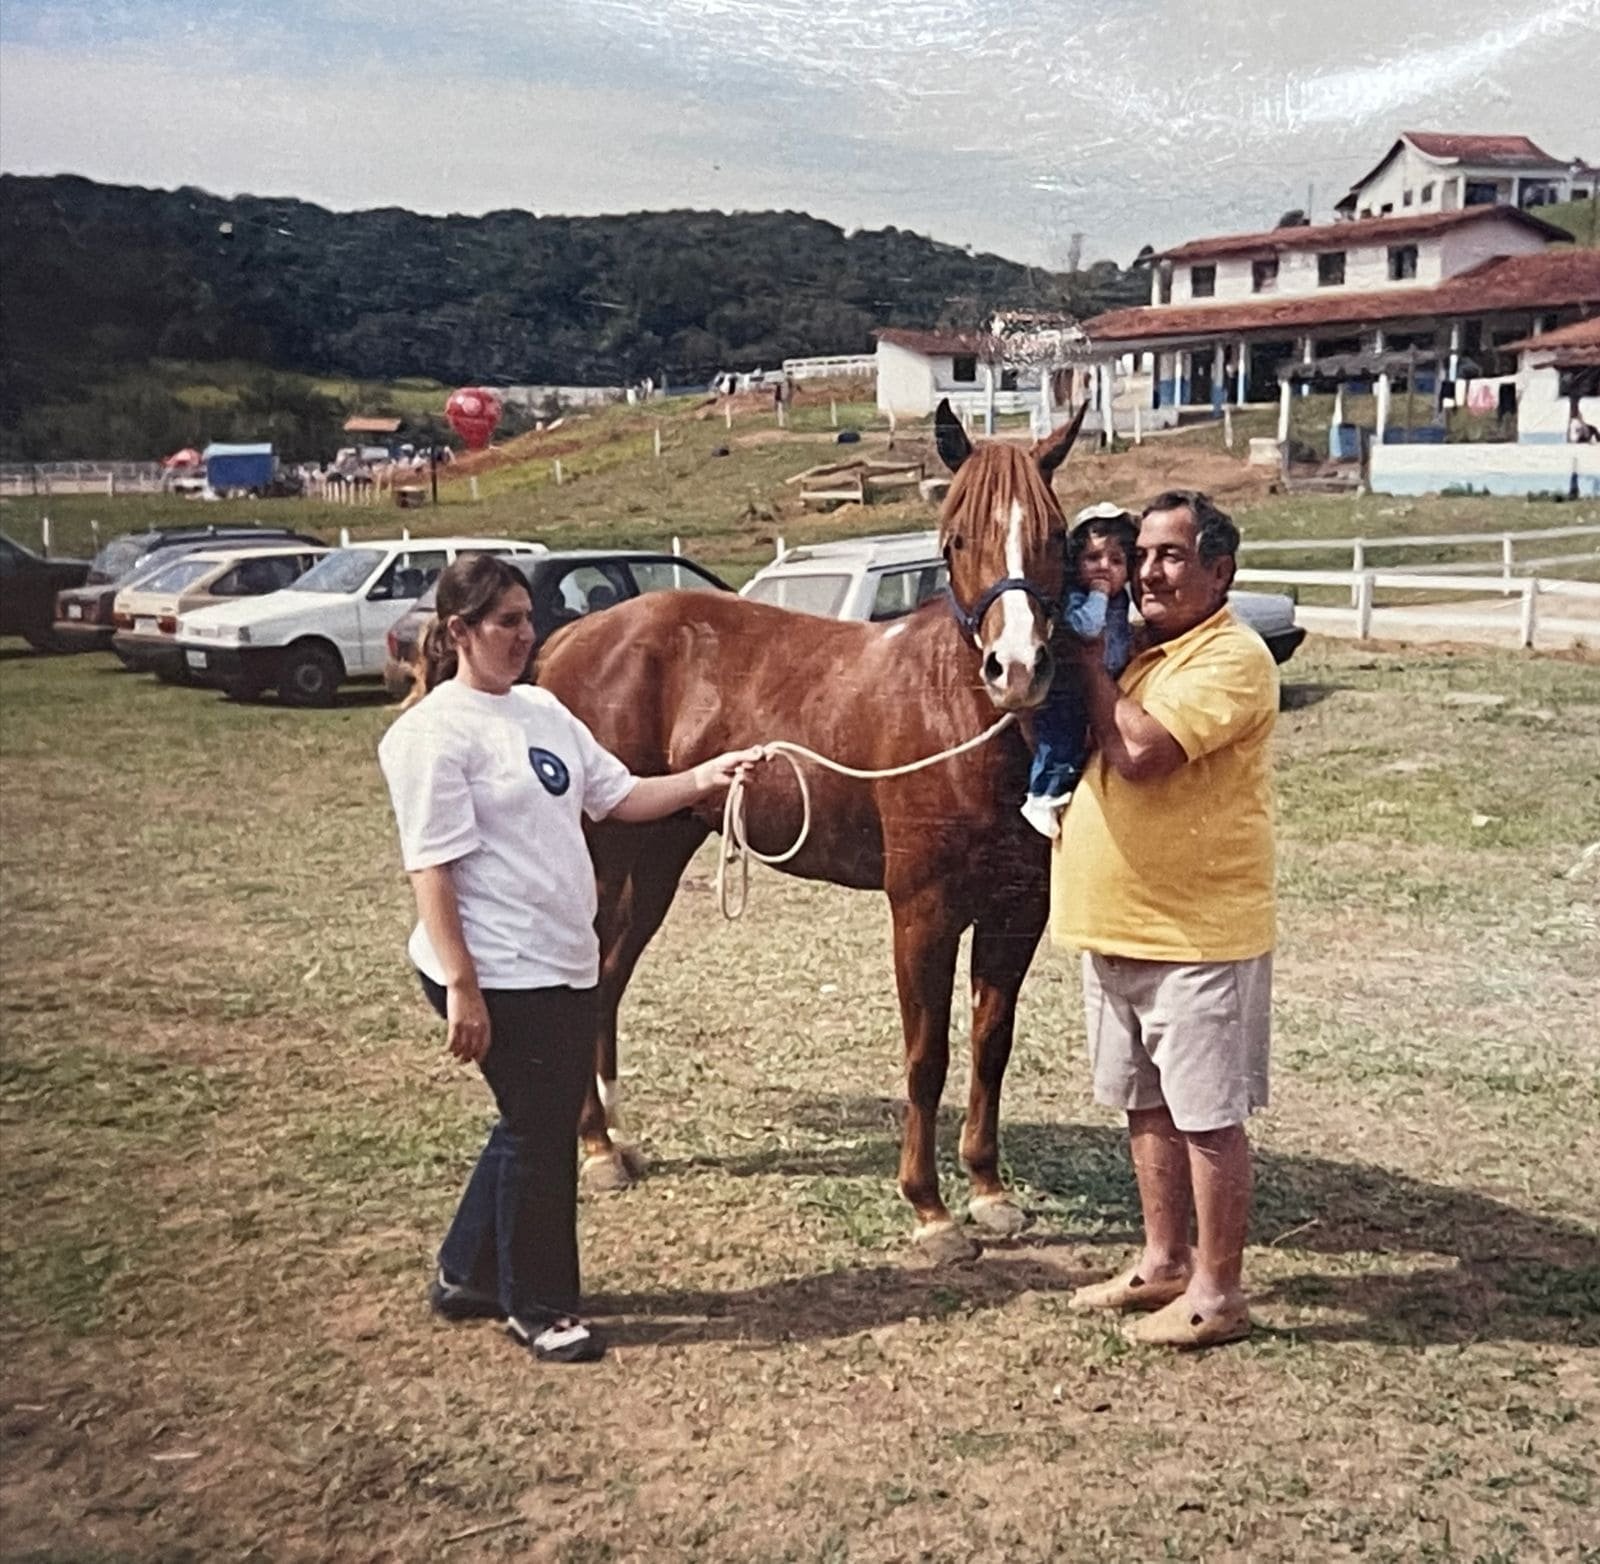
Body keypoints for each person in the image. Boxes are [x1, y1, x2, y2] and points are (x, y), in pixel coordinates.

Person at [378, 554, 761, 1364]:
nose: (527, 634)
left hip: (561, 961)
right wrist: (463, 986)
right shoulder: (431, 735)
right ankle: (540, 1306)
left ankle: (467, 1274)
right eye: (508, 622)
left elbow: (619, 796)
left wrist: (704, 776)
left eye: (529, 618)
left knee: (532, 1121)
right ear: (460, 631)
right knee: (542, 1134)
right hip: (496, 970)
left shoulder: (543, 711)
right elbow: (430, 870)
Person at [1053, 491, 1277, 1350]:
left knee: (1206, 1118)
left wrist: (1088, 667)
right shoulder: (1148, 651)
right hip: (1117, 926)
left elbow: (1142, 753)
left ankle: (1218, 1294)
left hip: (1195, 936)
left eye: (1171, 555)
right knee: (1146, 1106)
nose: (1147, 571)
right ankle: (1164, 1261)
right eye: (1140, 553)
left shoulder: (1231, 657)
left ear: (1221, 571)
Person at [1020, 503, 1137, 839]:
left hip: (1103, 680)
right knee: (1061, 739)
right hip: (1071, 685)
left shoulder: (1120, 600)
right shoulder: (1078, 597)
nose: (1104, 568)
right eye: (1093, 558)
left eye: (1116, 561)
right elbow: (1087, 628)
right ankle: (1042, 797)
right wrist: (1099, 593)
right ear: (1076, 563)